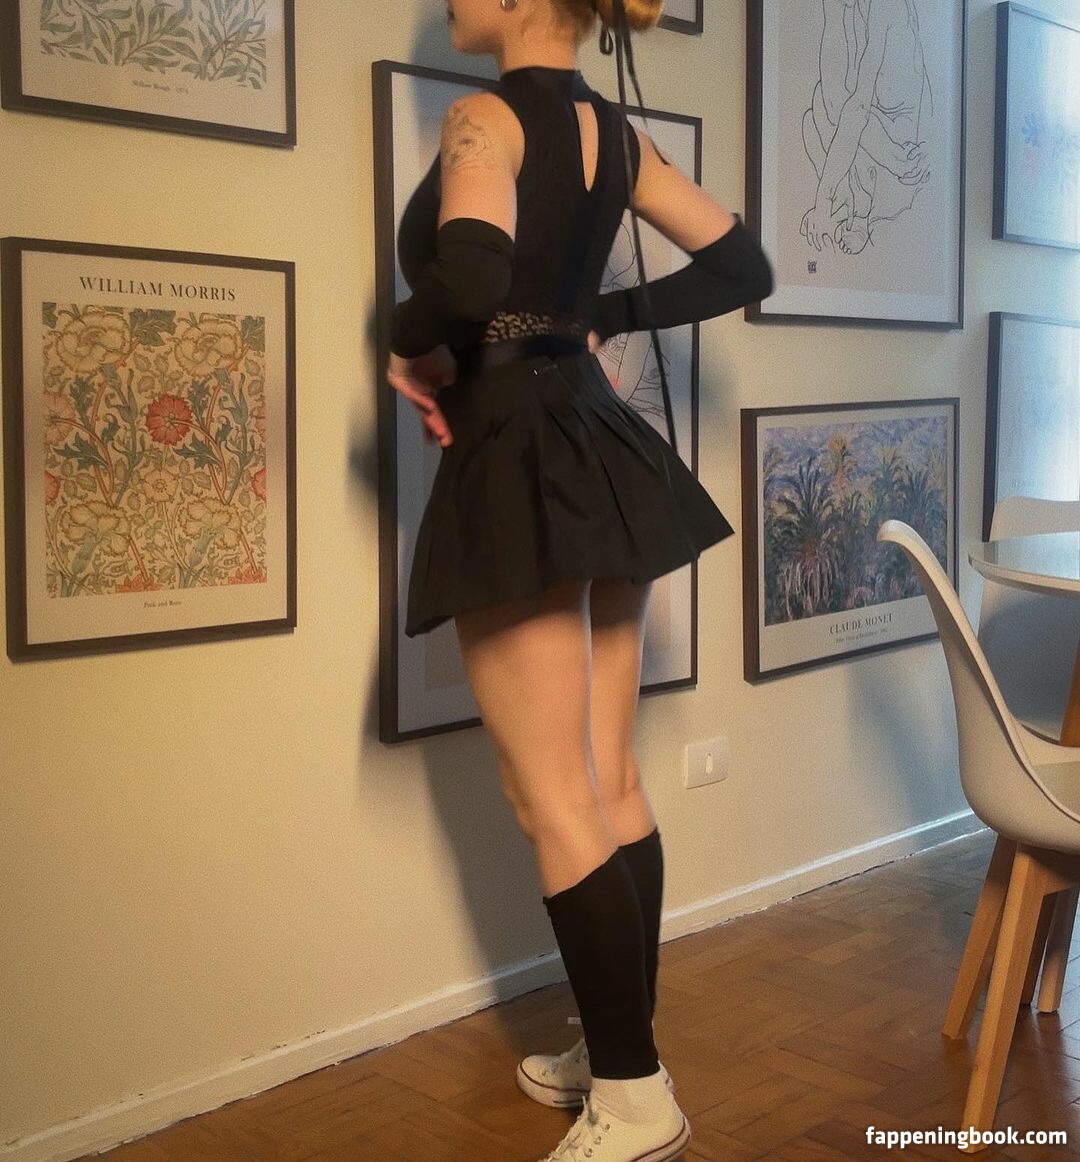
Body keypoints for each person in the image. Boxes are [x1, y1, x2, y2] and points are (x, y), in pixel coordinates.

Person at [385, 1, 773, 1158]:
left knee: (551, 791)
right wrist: (593, 316)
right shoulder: (614, 133)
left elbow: (470, 274)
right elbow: (743, 263)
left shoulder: (484, 121)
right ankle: (621, 1044)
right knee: (609, 776)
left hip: (518, 449)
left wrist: (403, 341)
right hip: (600, 439)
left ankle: (634, 1093)